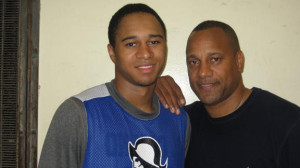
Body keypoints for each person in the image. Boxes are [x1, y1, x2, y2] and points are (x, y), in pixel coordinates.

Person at [38, 3, 190, 168]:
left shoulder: (179, 120)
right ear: (112, 52)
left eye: (154, 42)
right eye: (131, 44)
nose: (145, 53)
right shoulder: (79, 113)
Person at [155, 20, 300, 167]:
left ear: (238, 61)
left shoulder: (287, 123)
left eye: (215, 59)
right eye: (194, 62)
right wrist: (149, 90)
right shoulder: (183, 124)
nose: (203, 72)